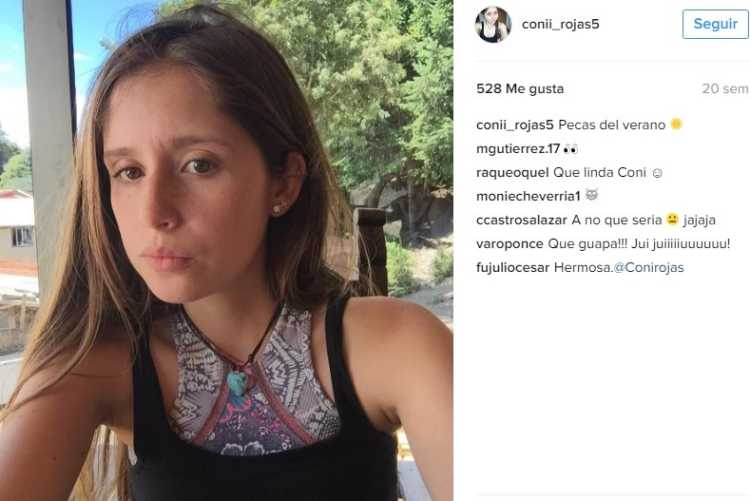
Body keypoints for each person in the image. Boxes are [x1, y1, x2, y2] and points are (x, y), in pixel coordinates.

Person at [0, 5, 452, 501]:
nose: (154, 212)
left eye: (199, 164)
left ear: (284, 183)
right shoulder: (93, 364)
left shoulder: (396, 346)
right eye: (129, 172)